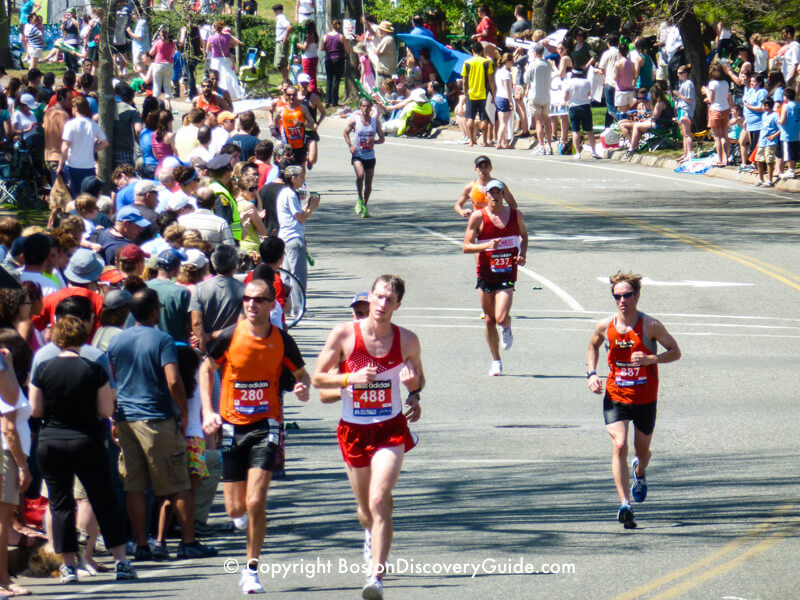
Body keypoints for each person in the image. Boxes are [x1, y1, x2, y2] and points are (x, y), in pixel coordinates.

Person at [311, 274, 423, 599]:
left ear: (398, 305)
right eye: (379, 297)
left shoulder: (408, 340)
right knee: (365, 509)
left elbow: (418, 380)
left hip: (390, 429)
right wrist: (350, 379)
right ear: (371, 298)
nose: (382, 304)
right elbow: (318, 379)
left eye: (389, 299)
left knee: (379, 498)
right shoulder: (345, 335)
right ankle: (369, 534)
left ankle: (376, 578)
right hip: (354, 431)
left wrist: (414, 394)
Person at [200, 278, 310, 594]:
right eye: (247, 299)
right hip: (233, 427)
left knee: (256, 500)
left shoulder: (282, 341)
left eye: (259, 299)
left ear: (271, 304)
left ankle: (251, 570)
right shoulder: (230, 337)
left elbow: (302, 376)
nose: (251, 304)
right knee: (236, 509)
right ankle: (249, 520)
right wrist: (209, 411)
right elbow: (206, 369)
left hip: (267, 425)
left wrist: (301, 388)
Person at [107, 289, 215, 561]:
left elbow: (114, 380)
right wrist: (181, 411)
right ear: (155, 310)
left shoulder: (117, 342)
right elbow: (174, 380)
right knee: (178, 481)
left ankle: (141, 545)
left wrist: (114, 415)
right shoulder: (163, 340)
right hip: (156, 418)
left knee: (135, 485)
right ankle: (188, 541)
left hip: (126, 419)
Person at [28, 315, 138, 582]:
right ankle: (121, 560)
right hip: (86, 440)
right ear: (83, 337)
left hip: (52, 440)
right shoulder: (93, 369)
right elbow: (105, 409)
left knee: (60, 502)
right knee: (103, 499)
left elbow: (36, 409)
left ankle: (67, 564)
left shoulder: (42, 368)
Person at [586, 271, 681, 528]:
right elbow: (593, 345)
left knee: (642, 451)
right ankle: (624, 504)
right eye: (617, 296)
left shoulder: (651, 325)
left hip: (645, 398)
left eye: (627, 295)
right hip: (616, 394)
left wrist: (653, 359)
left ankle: (639, 471)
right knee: (619, 444)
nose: (622, 300)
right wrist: (592, 373)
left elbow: (675, 351)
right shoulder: (605, 326)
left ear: (637, 296)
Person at [462, 180, 528, 376]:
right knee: (489, 320)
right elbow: (466, 246)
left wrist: (522, 253)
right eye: (491, 193)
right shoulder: (478, 217)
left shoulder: (516, 215)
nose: (494, 196)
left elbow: (524, 236)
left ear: (503, 195)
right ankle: (496, 360)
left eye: (498, 192)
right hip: (485, 273)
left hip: (507, 272)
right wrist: (486, 246)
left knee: (500, 316)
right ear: (486, 196)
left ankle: (506, 325)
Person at [277, 166, 319, 318]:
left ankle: (284, 305)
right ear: (293, 178)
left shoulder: (286, 193)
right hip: (293, 238)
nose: (304, 180)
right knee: (298, 275)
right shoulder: (290, 194)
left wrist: (307, 206)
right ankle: (298, 309)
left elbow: (299, 214)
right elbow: (299, 218)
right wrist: (312, 208)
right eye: (301, 177)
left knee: (287, 276)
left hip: (286, 237)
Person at [58, 97, 109, 198]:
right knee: (89, 196)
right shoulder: (93, 125)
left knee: (74, 196)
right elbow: (105, 143)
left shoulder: (70, 125)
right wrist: (94, 149)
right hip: (89, 166)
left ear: (75, 108)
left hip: (72, 165)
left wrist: (60, 164)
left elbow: (65, 147)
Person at [344, 99, 385, 218]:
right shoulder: (355, 121)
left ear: (371, 108)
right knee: (360, 175)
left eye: (368, 106)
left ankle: (365, 205)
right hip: (358, 154)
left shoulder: (375, 122)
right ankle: (359, 198)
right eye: (363, 106)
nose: (366, 109)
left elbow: (382, 139)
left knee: (368, 183)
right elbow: (345, 133)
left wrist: (374, 141)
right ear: (360, 108)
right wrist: (350, 145)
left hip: (370, 156)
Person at [461, 42, 495, 147]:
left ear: (472, 51)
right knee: (484, 118)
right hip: (484, 94)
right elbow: (490, 79)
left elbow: (464, 81)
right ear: (481, 51)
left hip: (471, 94)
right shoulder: (487, 62)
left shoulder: (467, 63)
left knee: (470, 118)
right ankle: (484, 141)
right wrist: (494, 93)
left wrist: (465, 91)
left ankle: (471, 140)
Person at [563, 68, 602, 160]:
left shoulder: (569, 82)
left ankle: (577, 153)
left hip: (573, 106)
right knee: (589, 130)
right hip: (585, 106)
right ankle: (594, 151)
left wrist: (566, 101)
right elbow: (589, 93)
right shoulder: (587, 82)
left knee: (575, 131)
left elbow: (566, 96)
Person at [702, 63, 733, 167]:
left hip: (715, 110)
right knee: (725, 135)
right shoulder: (725, 83)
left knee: (717, 136)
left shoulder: (712, 84)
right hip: (725, 109)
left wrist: (706, 91)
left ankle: (719, 159)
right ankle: (726, 157)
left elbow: (712, 99)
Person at [525, 45, 553, 154]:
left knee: (538, 121)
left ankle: (541, 146)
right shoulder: (548, 65)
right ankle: (549, 145)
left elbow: (527, 78)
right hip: (546, 95)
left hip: (535, 95)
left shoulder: (533, 65)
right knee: (546, 120)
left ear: (535, 53)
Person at [754, 97, 780, 187]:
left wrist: (773, 136)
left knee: (769, 161)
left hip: (771, 142)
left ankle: (769, 180)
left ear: (767, 106)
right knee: (759, 160)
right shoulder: (764, 115)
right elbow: (762, 129)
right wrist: (758, 141)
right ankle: (761, 179)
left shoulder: (775, 116)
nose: (762, 107)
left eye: (763, 105)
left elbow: (781, 129)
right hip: (762, 141)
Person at [322, 20, 349, 107]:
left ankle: (327, 100)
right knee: (336, 79)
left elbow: (322, 48)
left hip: (328, 59)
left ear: (331, 26)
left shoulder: (325, 36)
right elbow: (348, 50)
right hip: (338, 59)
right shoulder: (341, 37)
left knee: (329, 79)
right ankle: (334, 101)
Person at [150, 27, 177, 110]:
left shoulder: (158, 42)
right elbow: (174, 52)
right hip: (168, 64)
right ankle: (168, 104)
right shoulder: (172, 43)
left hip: (158, 64)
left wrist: (153, 45)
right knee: (167, 85)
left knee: (157, 84)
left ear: (162, 34)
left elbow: (151, 53)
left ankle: (155, 102)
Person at [674, 65, 696, 163]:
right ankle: (685, 153)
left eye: (681, 73)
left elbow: (689, 99)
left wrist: (679, 95)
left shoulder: (688, 84)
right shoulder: (682, 84)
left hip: (686, 109)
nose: (678, 75)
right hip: (681, 108)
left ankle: (690, 154)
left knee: (687, 133)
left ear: (686, 73)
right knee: (683, 134)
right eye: (678, 73)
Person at [777, 88, 800, 179]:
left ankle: (790, 170)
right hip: (796, 133)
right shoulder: (797, 106)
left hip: (786, 134)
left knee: (788, 152)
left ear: (785, 97)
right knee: (794, 152)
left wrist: (777, 120)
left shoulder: (785, 107)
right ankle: (792, 169)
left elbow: (782, 120)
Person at [272, 4, 292, 83]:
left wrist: (285, 38)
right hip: (280, 41)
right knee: (281, 63)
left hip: (281, 42)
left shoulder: (281, 18)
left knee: (282, 63)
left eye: (274, 11)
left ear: (278, 11)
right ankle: (285, 80)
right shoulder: (280, 18)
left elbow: (289, 27)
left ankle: (285, 80)